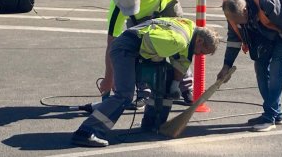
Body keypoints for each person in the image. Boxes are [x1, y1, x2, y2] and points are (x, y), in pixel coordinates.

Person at [72, 17, 220, 147]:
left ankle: (150, 124)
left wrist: (175, 84)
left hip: (133, 45)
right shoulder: (178, 40)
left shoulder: (189, 27)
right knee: (124, 94)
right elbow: (148, 47)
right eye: (201, 51)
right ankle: (86, 131)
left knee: (164, 78)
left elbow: (182, 61)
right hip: (125, 49)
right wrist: (146, 74)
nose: (198, 54)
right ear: (199, 40)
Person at [99, 0, 210, 108]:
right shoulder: (118, 7)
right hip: (142, 18)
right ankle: (144, 92)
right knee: (139, 47)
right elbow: (112, 44)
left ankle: (185, 87)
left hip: (167, 3)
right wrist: (109, 78)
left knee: (181, 42)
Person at [216, 0, 282, 132]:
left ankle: (269, 117)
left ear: (245, 11)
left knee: (277, 64)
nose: (238, 25)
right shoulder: (231, 10)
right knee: (260, 65)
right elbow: (234, 38)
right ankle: (275, 115)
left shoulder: (267, 1)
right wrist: (227, 65)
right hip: (267, 28)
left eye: (239, 22)